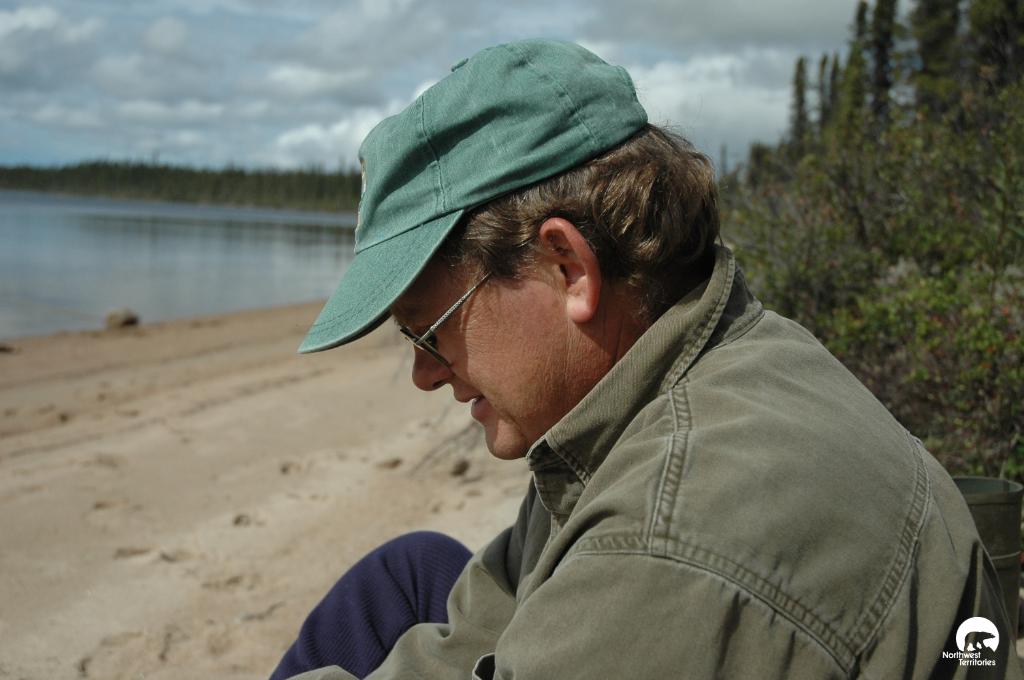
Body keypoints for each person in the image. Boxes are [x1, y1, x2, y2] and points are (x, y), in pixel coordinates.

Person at [270, 39, 1021, 679]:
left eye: (428, 330)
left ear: (566, 267)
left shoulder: (671, 547)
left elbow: (654, 571)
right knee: (406, 574)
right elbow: (484, 623)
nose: (424, 373)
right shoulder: (669, 378)